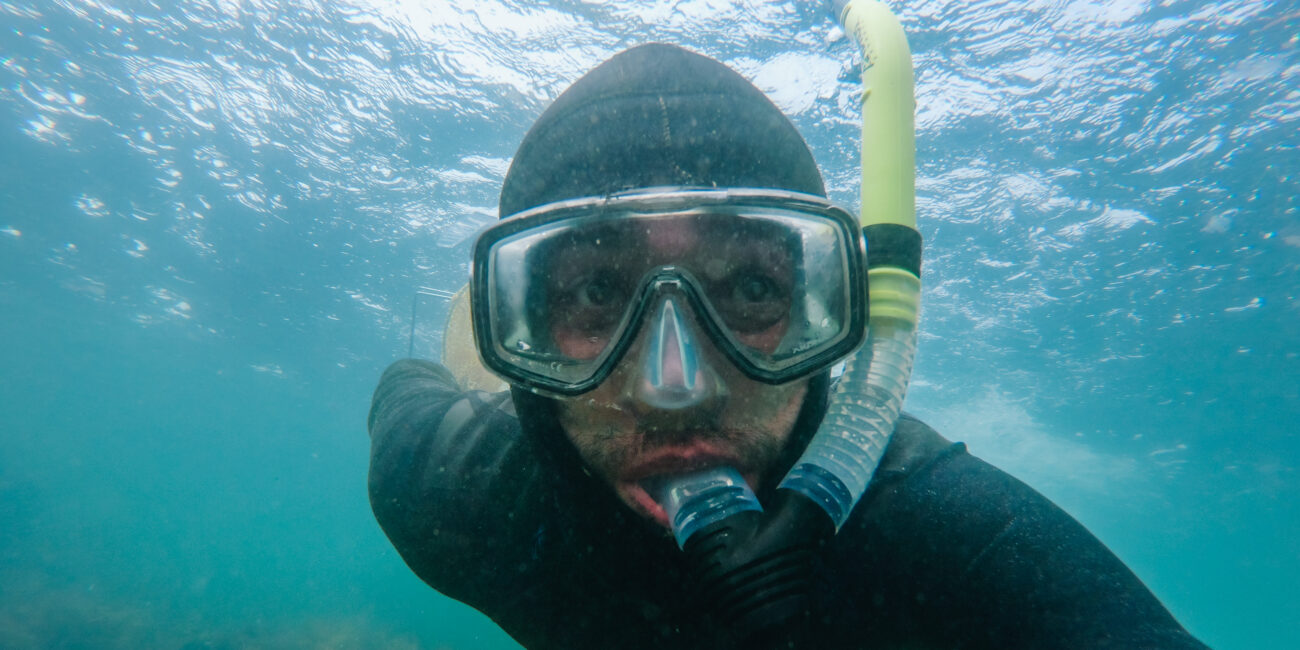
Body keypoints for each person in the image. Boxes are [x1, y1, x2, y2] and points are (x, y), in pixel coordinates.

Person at [367, 43, 1207, 649]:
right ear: (520, 333)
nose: (676, 389)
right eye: (593, 292)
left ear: (833, 317)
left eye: (752, 290)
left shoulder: (933, 534)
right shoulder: (458, 493)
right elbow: (403, 401)